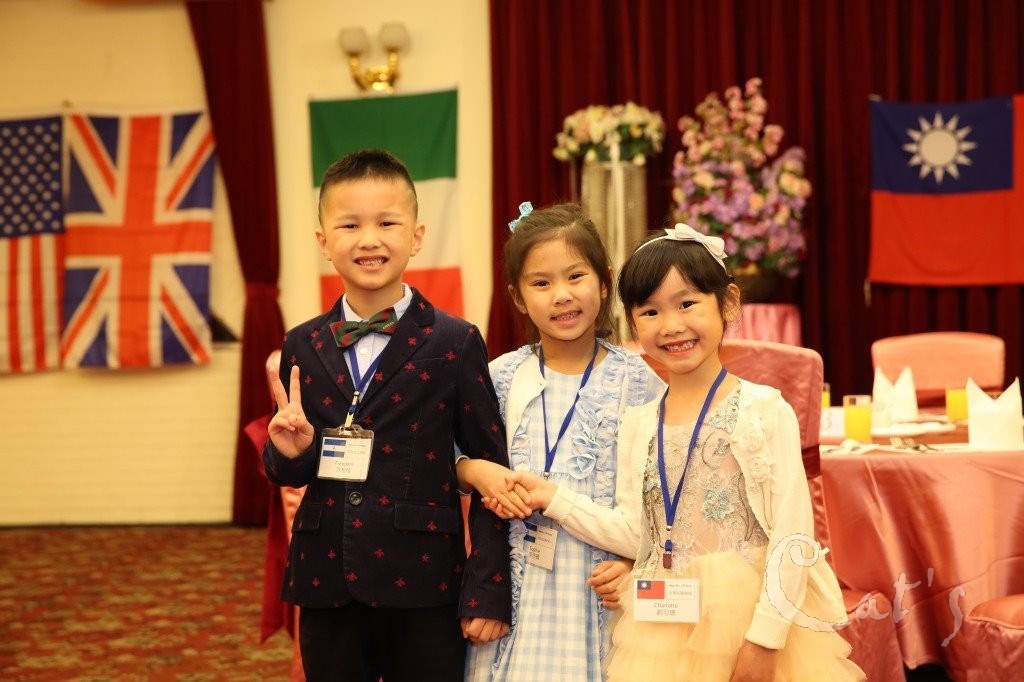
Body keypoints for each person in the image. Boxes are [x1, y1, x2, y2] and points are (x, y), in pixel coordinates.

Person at [511, 224, 865, 681]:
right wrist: (555, 499)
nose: (671, 326)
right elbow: (635, 531)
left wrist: (766, 638)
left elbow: (792, 534)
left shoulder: (761, 410)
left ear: (728, 303)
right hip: (660, 632)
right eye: (650, 311)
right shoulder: (639, 422)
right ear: (632, 321)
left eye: (687, 304)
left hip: (748, 622)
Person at [263, 149, 512, 682]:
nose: (369, 239)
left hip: (423, 579)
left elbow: (491, 466)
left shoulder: (455, 340)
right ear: (323, 242)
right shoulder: (301, 344)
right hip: (327, 577)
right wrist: (289, 452)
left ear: (417, 237)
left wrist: (487, 588)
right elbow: (289, 469)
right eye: (350, 225)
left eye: (387, 223)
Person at [457, 202, 665, 682]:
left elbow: (662, 504)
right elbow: (449, 456)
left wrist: (634, 562)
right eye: (541, 283)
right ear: (517, 297)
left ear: (605, 281)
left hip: (598, 592)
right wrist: (472, 470)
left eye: (575, 276)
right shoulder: (500, 377)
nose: (562, 296)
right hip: (517, 596)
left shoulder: (640, 384)